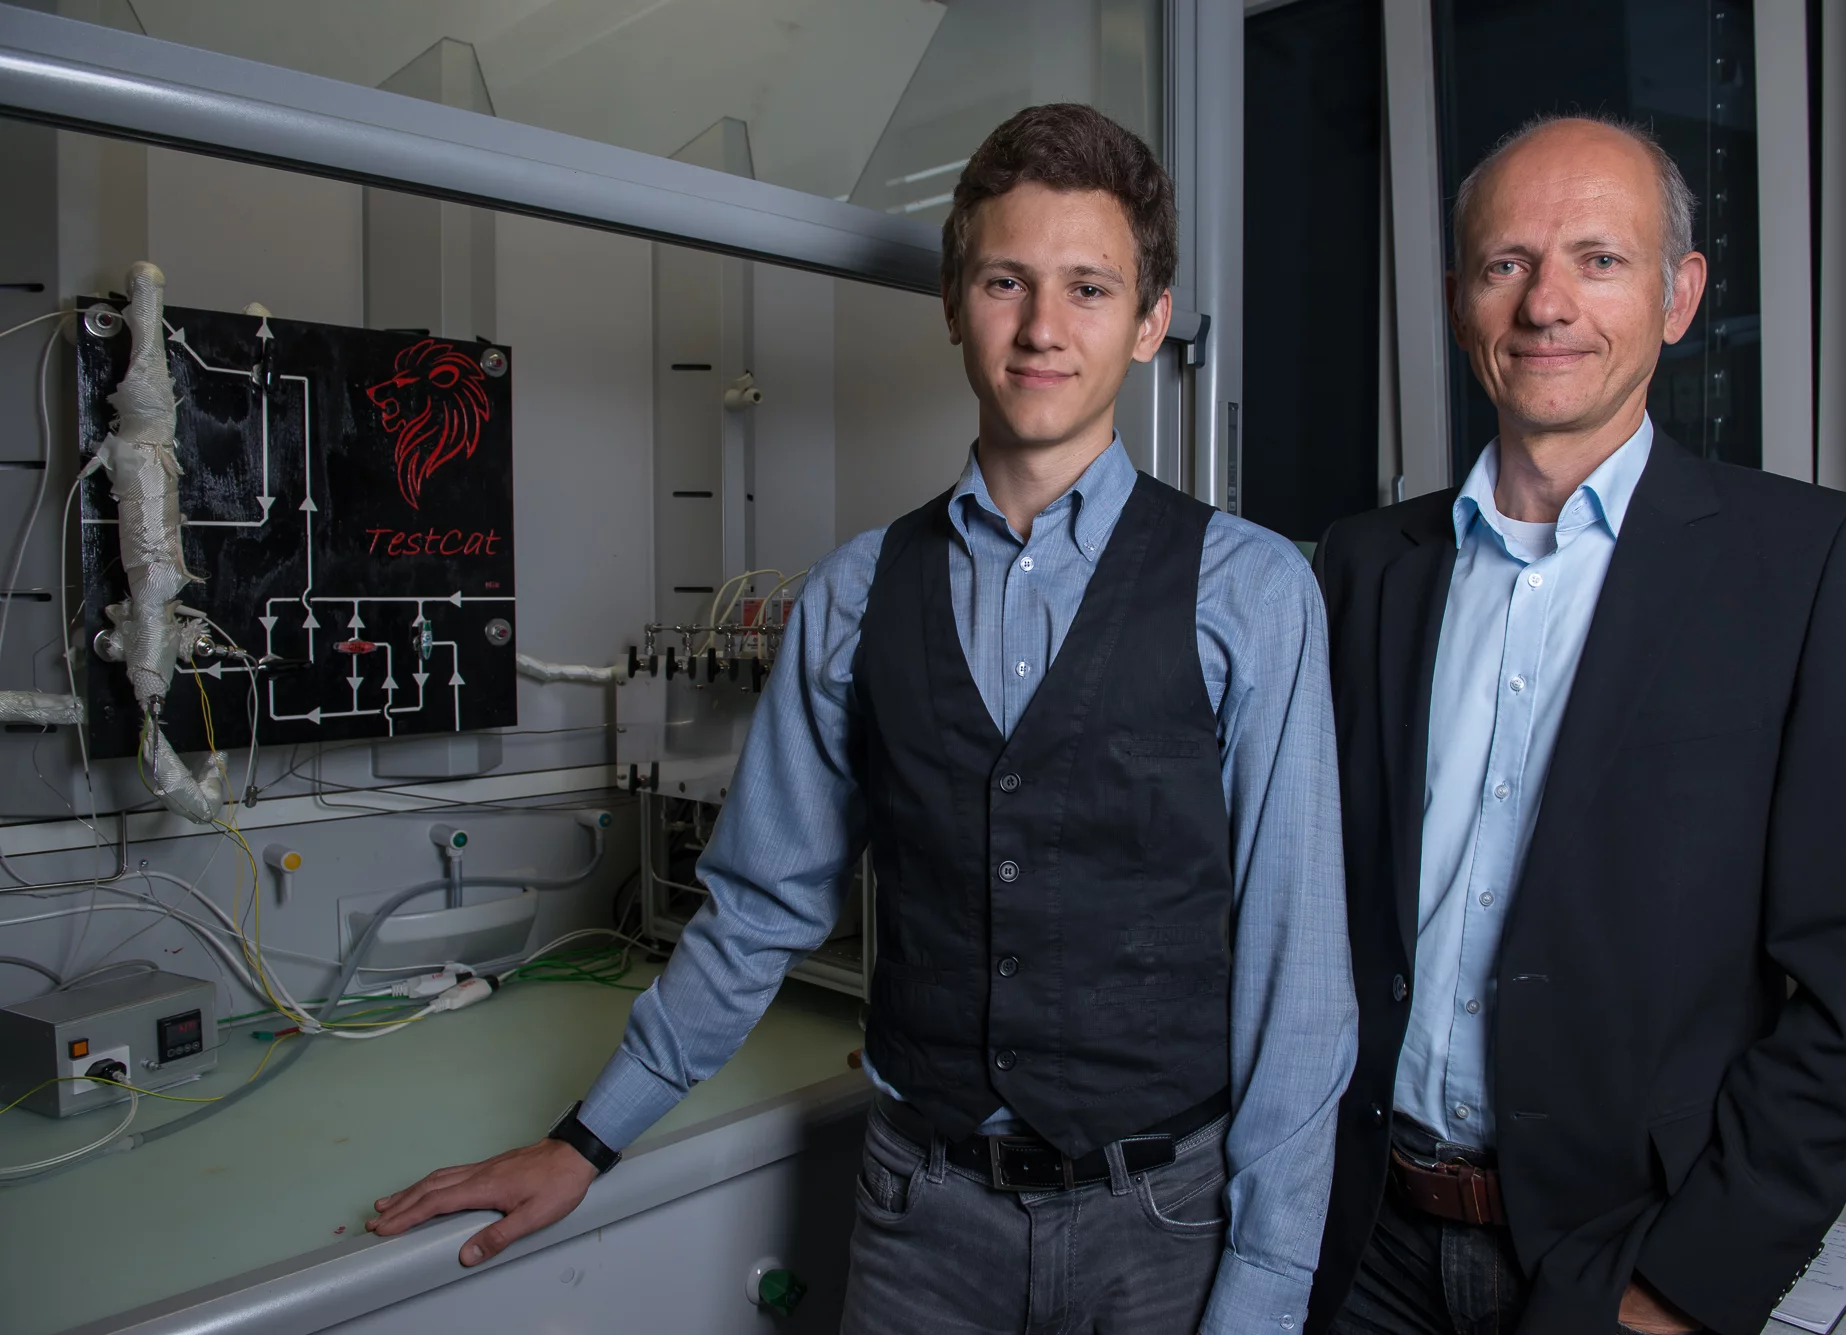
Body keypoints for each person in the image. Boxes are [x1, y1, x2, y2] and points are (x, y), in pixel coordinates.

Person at [369, 103, 1357, 1335]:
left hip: (1162, 1229)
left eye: (1089, 288)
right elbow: (758, 907)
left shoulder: (1251, 591)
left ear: (1149, 323)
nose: (1044, 328)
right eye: (1006, 281)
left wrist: (1261, 1295)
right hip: (919, 1218)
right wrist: (586, 1138)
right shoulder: (848, 595)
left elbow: (1297, 979)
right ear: (953, 301)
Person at [1307, 114, 1846, 1335]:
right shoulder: (1361, 568)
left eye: (1597, 260)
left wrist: (1677, 1292)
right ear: (1458, 302)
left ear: (1677, 296)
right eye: (1506, 264)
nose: (1546, 304)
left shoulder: (1805, 566)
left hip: (1613, 1265)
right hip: (1361, 1247)